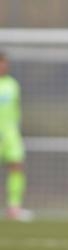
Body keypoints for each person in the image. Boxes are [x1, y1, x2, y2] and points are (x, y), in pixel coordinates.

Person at [0, 51, 32, 222]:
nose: (3, 66)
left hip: (10, 134)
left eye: (5, 63)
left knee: (16, 166)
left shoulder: (12, 84)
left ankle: (14, 208)